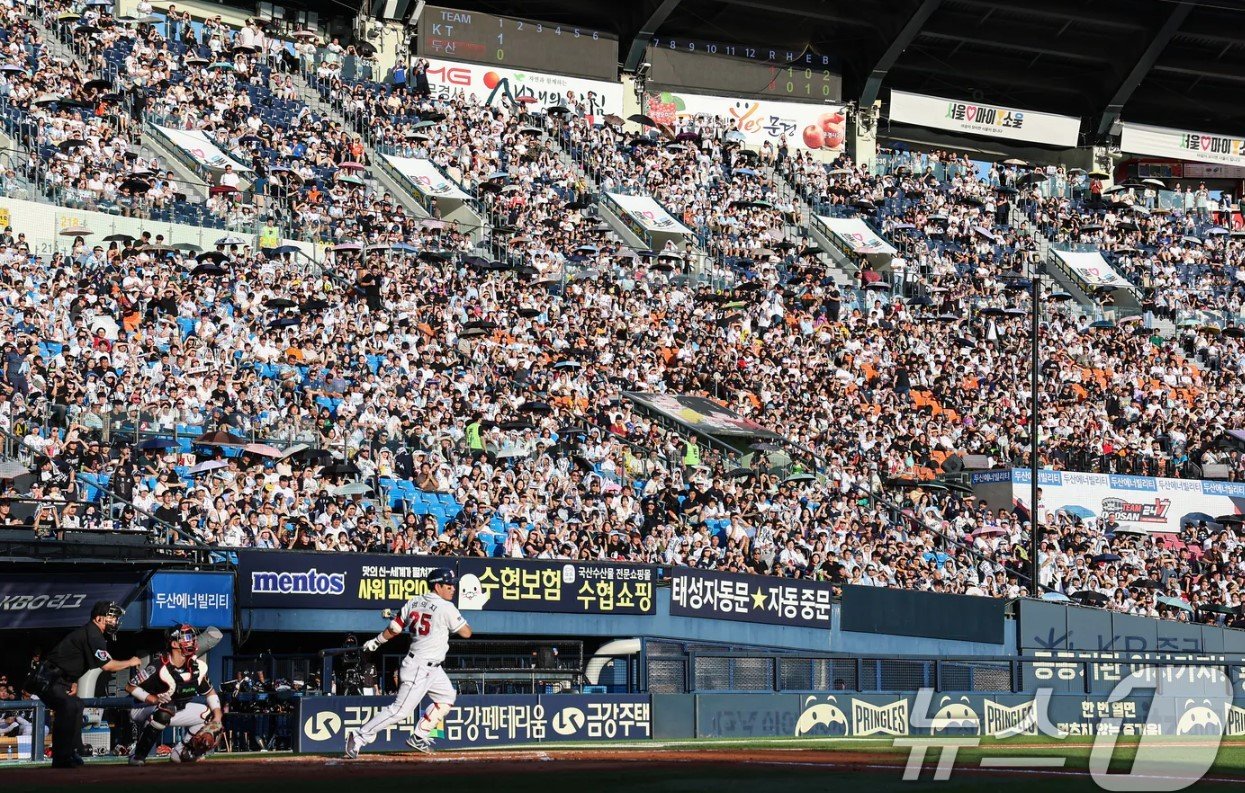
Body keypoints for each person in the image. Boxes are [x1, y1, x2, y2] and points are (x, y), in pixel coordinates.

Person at [345, 568, 471, 758]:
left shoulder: (414, 601)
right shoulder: (446, 607)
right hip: (419, 666)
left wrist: (377, 641)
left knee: (446, 698)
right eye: (449, 585)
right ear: (437, 586)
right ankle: (359, 736)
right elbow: (466, 632)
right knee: (399, 711)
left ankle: (419, 735)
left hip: (433, 668)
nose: (453, 588)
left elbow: (395, 627)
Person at [26, 601, 140, 768]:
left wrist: (71, 681)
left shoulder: (93, 633)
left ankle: (72, 751)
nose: (115, 620)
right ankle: (61, 757)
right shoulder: (93, 634)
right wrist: (130, 661)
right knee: (68, 706)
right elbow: (107, 665)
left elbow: (72, 660)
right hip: (47, 678)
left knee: (77, 704)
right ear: (99, 618)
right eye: (112, 617)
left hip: (59, 679)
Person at [126, 625, 223, 765]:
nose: (193, 641)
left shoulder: (197, 667)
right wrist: (153, 699)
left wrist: (218, 716)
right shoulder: (158, 666)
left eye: (193, 637)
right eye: (188, 637)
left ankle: (181, 752)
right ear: (174, 643)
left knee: (209, 715)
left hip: (175, 707)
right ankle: (138, 756)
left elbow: (210, 692)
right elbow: (130, 686)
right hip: (143, 707)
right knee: (165, 711)